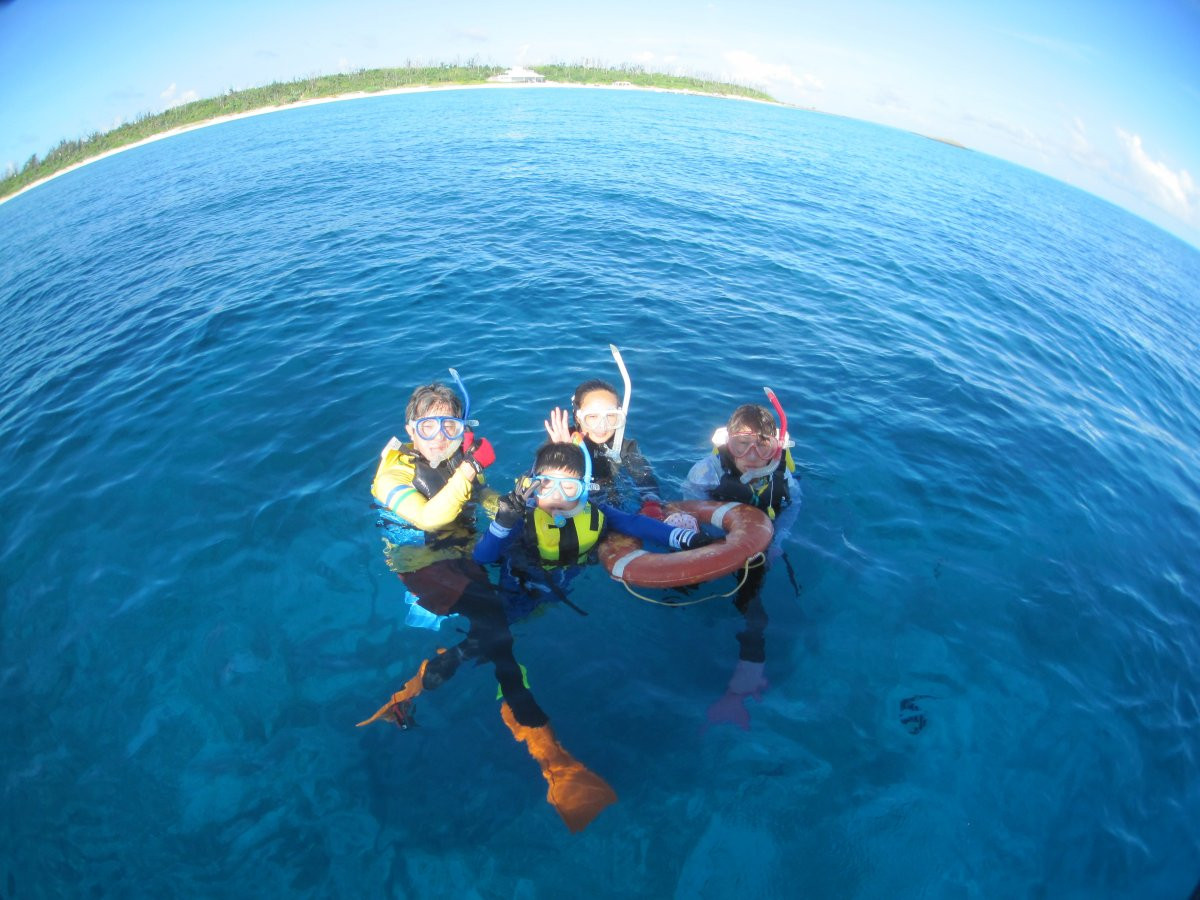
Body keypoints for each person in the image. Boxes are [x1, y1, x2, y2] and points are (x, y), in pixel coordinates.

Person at [358, 373, 616, 833]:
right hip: (423, 566)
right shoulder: (392, 474)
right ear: (411, 429)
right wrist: (471, 467)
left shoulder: (461, 463)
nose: (440, 437)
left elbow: (488, 501)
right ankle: (551, 758)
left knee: (491, 633)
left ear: (463, 428)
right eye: (428, 427)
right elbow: (427, 516)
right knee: (499, 642)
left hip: (466, 556)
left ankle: (408, 693)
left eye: (451, 426)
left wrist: (526, 501)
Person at [474, 440, 714, 620]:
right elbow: (481, 557)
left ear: (583, 489)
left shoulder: (597, 512)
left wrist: (684, 538)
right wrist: (502, 523)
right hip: (520, 580)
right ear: (533, 486)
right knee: (505, 619)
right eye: (546, 485)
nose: (557, 495)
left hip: (565, 580)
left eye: (568, 487)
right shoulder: (522, 517)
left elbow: (635, 523)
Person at [683, 388, 801, 731]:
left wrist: (777, 542)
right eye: (742, 445)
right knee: (685, 588)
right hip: (715, 535)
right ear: (728, 444)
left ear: (775, 448)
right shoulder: (706, 471)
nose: (751, 456)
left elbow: (792, 509)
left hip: (758, 544)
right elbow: (689, 503)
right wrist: (700, 533)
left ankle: (741, 688)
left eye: (762, 446)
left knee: (754, 613)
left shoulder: (784, 479)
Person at [544, 345, 665, 517]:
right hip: (569, 507)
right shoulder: (563, 440)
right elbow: (541, 485)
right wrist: (560, 454)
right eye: (592, 417)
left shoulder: (624, 446)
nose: (602, 426)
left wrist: (651, 502)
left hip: (611, 503)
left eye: (611, 416)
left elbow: (644, 478)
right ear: (578, 417)